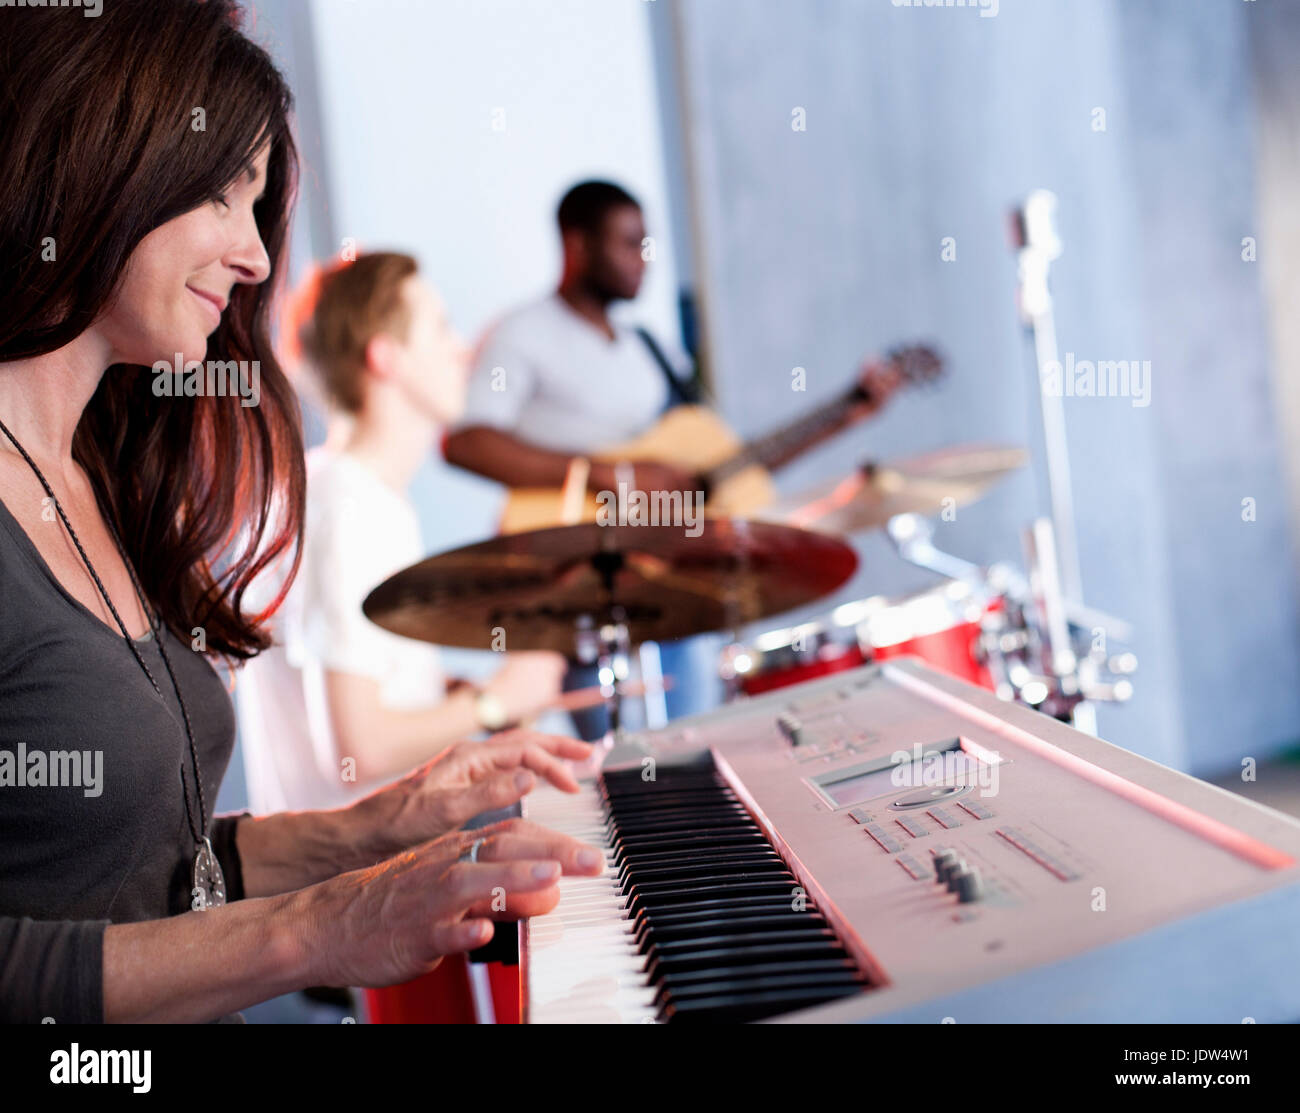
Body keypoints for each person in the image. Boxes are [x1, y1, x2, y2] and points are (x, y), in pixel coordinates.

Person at [0, 0, 600, 1025]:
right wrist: (319, 927)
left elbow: (151, 885)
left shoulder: (95, 476)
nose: (257, 260)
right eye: (227, 201)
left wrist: (372, 828)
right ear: (109, 162)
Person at [443, 180, 903, 730]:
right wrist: (601, 475)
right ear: (578, 245)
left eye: (649, 244)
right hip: (584, 591)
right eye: (630, 243)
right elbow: (465, 442)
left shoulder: (646, 349)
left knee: (696, 750)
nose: (645, 260)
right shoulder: (523, 335)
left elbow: (712, 473)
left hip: (671, 592)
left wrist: (841, 417)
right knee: (625, 764)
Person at [237, 251, 567, 817]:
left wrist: (442, 693)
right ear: (385, 356)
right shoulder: (344, 506)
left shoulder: (351, 493)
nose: (463, 349)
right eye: (439, 328)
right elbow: (358, 750)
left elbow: (364, 695)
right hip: (352, 888)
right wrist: (498, 700)